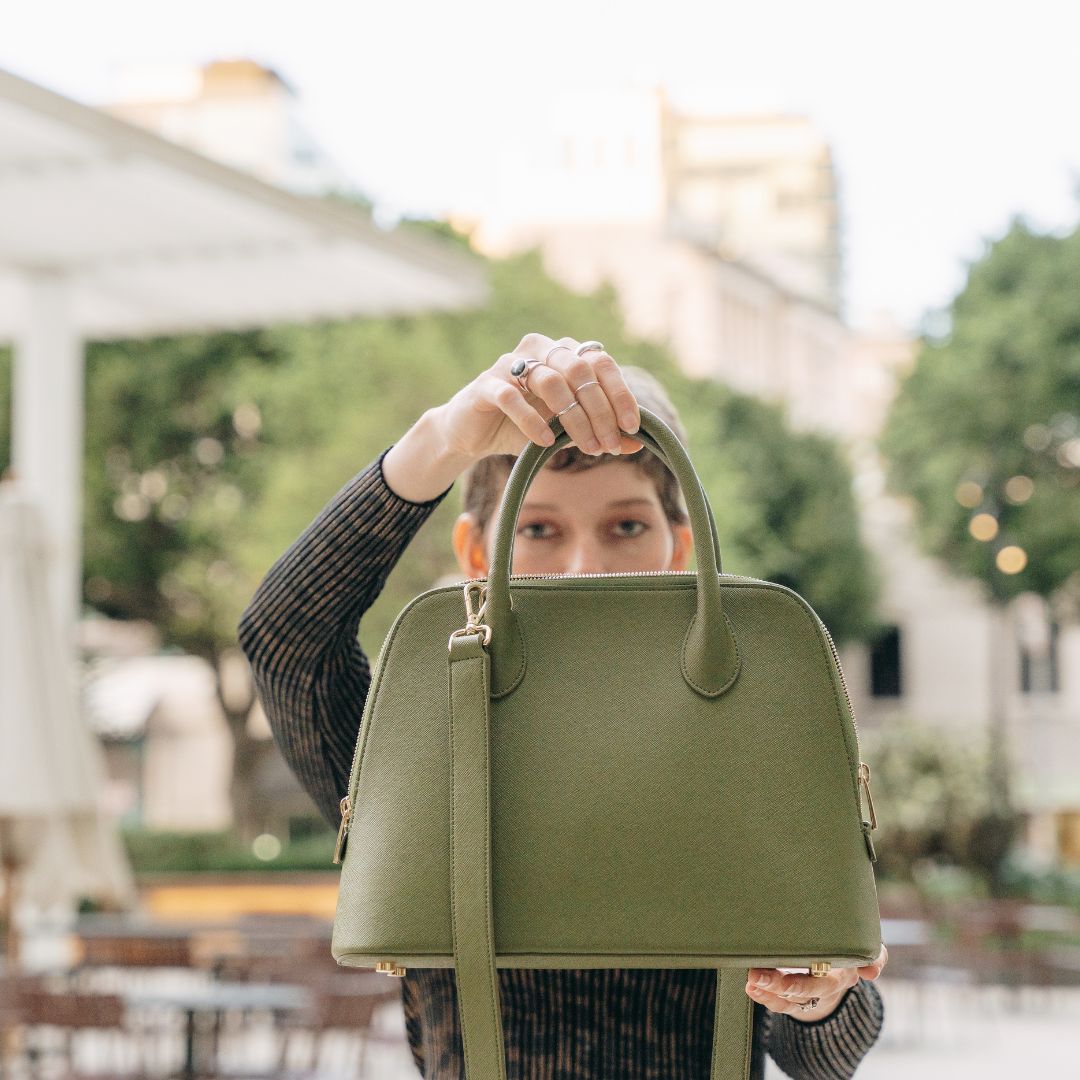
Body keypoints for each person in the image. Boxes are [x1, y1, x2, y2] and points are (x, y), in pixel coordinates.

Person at [237, 333, 887, 1079]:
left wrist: (820, 993)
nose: (586, 566)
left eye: (626, 526)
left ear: (682, 547)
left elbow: (828, 1055)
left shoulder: (749, 724)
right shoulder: (426, 730)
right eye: (537, 529)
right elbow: (284, 637)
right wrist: (443, 439)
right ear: (476, 554)